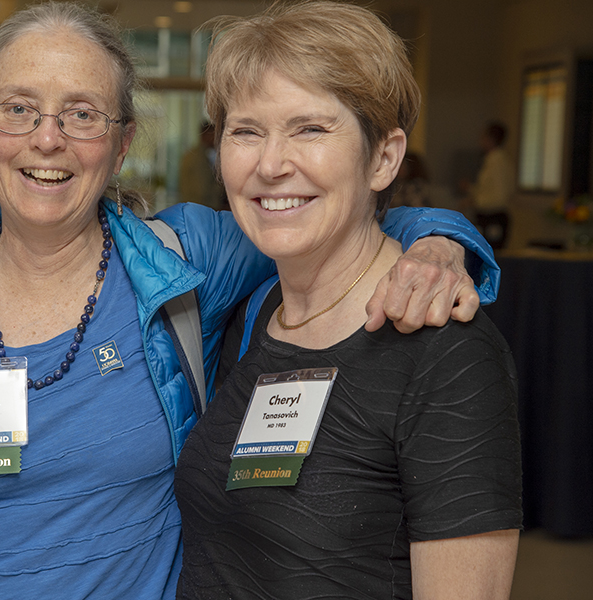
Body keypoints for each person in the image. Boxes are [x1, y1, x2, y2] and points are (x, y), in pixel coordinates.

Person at [0, 3, 497, 600]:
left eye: (82, 113)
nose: (49, 138)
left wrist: (438, 245)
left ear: (123, 143)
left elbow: (326, 220)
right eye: (19, 110)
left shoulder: (185, 261)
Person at [173, 3, 521, 599]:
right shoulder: (251, 318)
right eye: (247, 131)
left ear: (383, 158)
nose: (271, 164)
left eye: (310, 128)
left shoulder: (447, 354)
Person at [463, 121, 515, 249]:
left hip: (494, 217)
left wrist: (477, 202)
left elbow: (499, 195)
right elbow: (487, 190)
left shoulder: (498, 162)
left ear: (490, 138)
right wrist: (471, 191)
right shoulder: (491, 160)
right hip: (485, 215)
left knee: (491, 255)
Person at [179, 121, 227, 210]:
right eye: (214, 135)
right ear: (205, 135)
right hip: (200, 209)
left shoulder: (203, 154)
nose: (218, 139)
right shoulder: (197, 157)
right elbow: (202, 190)